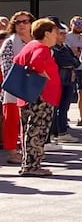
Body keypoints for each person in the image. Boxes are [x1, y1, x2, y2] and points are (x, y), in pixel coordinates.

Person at [12, 17, 64, 177]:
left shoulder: (31, 46)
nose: (58, 35)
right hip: (40, 98)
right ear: (47, 33)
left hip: (28, 96)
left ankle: (28, 164)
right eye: (56, 32)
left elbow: (17, 61)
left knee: (28, 130)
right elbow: (36, 64)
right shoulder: (41, 48)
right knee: (37, 131)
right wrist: (47, 78)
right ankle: (32, 167)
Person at [1, 11, 33, 164]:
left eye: (25, 21)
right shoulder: (10, 42)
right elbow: (6, 67)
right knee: (12, 120)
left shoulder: (36, 41)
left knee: (30, 121)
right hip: (14, 87)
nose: (21, 24)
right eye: (18, 22)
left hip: (33, 87)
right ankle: (13, 152)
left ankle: (29, 150)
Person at [65, 16, 82, 129]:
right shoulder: (66, 37)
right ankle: (64, 117)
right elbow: (70, 50)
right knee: (67, 94)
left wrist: (77, 50)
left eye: (81, 23)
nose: (79, 26)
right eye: (76, 23)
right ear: (71, 25)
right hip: (70, 68)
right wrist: (77, 50)